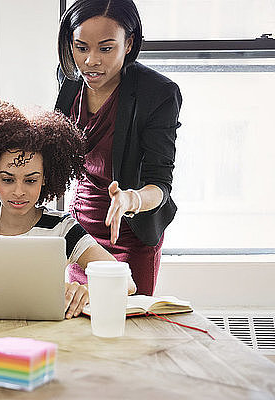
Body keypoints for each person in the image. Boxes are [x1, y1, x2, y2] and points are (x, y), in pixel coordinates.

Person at [0, 100, 136, 319]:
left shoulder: (63, 229)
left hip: (51, 336)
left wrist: (87, 291)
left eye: (30, 181)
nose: (19, 191)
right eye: (8, 180)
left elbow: (127, 283)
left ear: (45, 179)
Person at [55, 0, 182, 295]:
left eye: (106, 48)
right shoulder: (69, 80)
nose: (90, 61)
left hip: (131, 233)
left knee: (127, 327)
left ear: (129, 44)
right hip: (81, 229)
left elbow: (160, 185)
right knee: (77, 324)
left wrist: (129, 200)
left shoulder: (158, 93)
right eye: (81, 47)